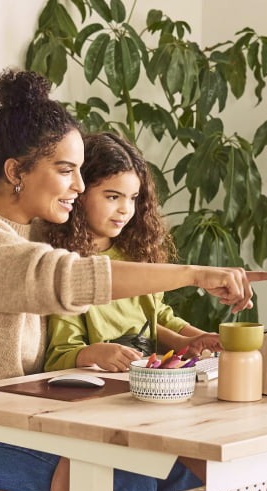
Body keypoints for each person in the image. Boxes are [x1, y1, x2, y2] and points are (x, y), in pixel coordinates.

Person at [0, 68, 267, 491]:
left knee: (184, 475)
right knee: (121, 473)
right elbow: (64, 279)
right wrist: (194, 273)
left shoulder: (34, 229)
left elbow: (110, 297)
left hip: (18, 419)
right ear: (15, 171)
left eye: (81, 172)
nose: (80, 188)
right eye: (66, 171)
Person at [45, 131, 222, 374]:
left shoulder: (134, 254)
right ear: (80, 192)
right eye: (113, 197)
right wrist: (94, 353)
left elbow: (156, 316)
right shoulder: (68, 266)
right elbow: (59, 355)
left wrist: (194, 338)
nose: (125, 210)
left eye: (133, 198)